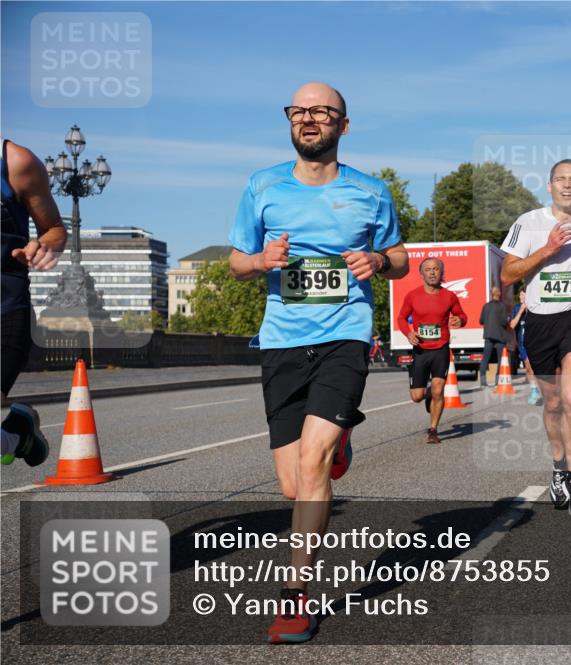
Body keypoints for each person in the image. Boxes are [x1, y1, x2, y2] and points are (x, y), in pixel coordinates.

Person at [228, 82, 408, 644]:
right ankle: (332, 445)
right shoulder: (263, 185)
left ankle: (295, 597)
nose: (309, 120)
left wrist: (378, 258)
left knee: (312, 465)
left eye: (322, 112)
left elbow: (401, 258)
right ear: (290, 121)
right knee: (292, 484)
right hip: (282, 340)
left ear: (343, 125)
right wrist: (261, 260)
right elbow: (235, 261)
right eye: (299, 112)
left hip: (345, 337)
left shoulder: (371, 192)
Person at [499, 158, 571, 522]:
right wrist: (546, 250)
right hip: (540, 321)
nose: (567, 185)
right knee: (552, 405)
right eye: (561, 180)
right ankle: (559, 466)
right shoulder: (528, 223)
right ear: (549, 186)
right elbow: (506, 275)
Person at [1, 139, 67, 468]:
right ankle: (17, 434)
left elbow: (55, 229)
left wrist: (42, 246)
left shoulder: (16, 163)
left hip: (6, 311)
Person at [396, 257, 467, 443]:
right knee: (417, 397)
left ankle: (433, 430)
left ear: (441, 273)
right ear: (421, 274)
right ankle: (427, 394)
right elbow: (401, 318)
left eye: (436, 269)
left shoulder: (449, 296)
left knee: (438, 390)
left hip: (441, 349)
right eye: (428, 269)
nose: (433, 272)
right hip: (420, 350)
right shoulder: (413, 296)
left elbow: (462, 314)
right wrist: (408, 333)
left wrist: (460, 320)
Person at [509, 288, 541, 405]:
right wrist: (521, 310)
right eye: (521, 296)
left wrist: (528, 309)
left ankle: (543, 388)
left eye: (524, 296)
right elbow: (512, 325)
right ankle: (534, 390)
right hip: (522, 344)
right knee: (528, 367)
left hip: (536, 343)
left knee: (537, 368)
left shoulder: (535, 307)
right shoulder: (517, 308)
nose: (522, 298)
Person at [478, 286, 508, 388]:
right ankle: (497, 380)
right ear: (499, 294)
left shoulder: (486, 306)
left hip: (488, 335)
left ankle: (483, 381)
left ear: (492, 294)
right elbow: (504, 321)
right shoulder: (502, 306)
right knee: (500, 359)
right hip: (500, 336)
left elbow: (481, 321)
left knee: (485, 358)